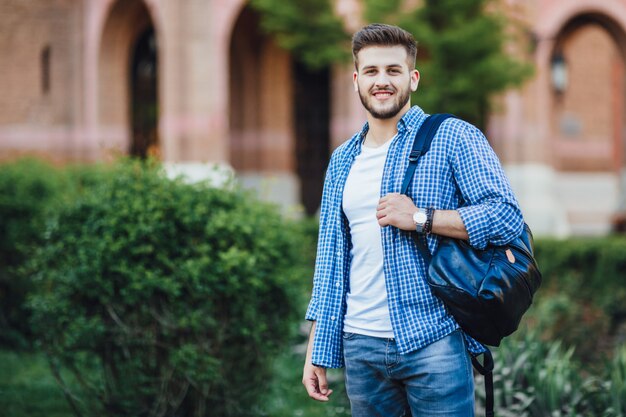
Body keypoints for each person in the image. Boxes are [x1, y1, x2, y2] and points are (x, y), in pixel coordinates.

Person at [301, 23, 524, 416]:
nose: (381, 81)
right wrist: (316, 349)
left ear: (413, 78)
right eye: (370, 72)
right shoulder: (341, 160)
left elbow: (506, 217)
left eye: (393, 70)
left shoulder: (452, 137)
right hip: (362, 347)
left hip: (433, 340)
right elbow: (330, 262)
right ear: (356, 81)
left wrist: (421, 217)